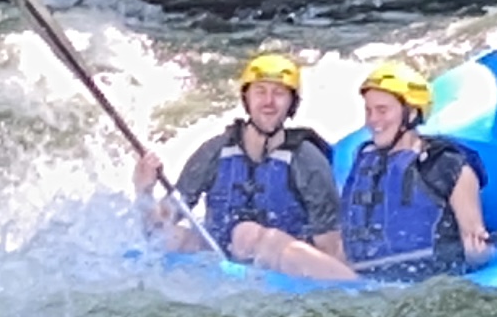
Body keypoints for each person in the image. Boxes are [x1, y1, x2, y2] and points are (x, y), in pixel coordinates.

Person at [132, 52, 355, 280]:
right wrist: (144, 190)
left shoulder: (307, 159)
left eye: (278, 93)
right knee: (172, 237)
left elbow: (329, 246)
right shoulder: (214, 152)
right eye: (260, 92)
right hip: (220, 257)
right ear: (246, 98)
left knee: (244, 234)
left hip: (282, 264)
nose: (268, 102)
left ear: (291, 104)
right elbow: (160, 224)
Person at [337, 61, 492, 279]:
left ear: (411, 114)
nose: (373, 120)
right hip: (365, 285)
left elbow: (478, 251)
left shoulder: (447, 165)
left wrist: (477, 250)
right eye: (368, 110)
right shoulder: (364, 159)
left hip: (429, 284)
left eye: (382, 110)